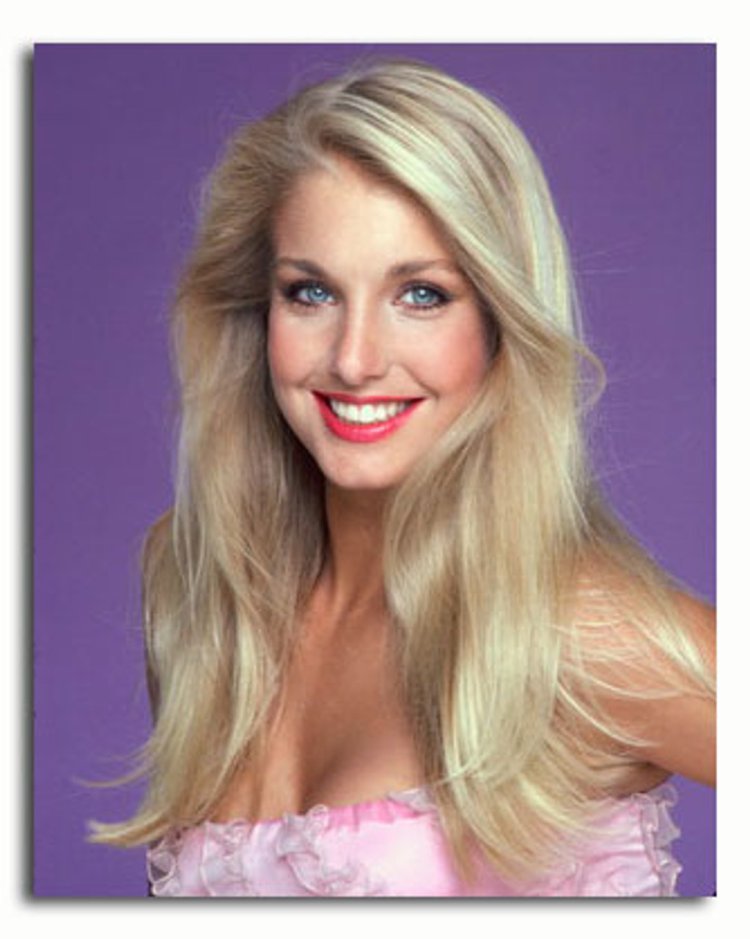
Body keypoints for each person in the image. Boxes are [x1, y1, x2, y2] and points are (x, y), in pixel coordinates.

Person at [89, 58, 715, 897]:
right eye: (311, 292)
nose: (354, 360)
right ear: (257, 313)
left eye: (420, 294)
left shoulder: (575, 629)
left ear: (501, 324)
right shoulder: (198, 582)